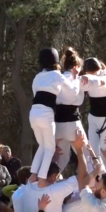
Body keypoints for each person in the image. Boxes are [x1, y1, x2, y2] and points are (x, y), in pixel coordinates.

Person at [30, 48, 84, 187]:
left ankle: (33, 175)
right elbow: (72, 90)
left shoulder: (37, 77)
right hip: (46, 114)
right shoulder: (57, 75)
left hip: (33, 113)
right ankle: (42, 180)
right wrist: (75, 76)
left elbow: (37, 93)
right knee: (49, 148)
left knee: (42, 146)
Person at [54, 48, 92, 172]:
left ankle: (48, 181)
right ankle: (94, 181)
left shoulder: (59, 79)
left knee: (61, 158)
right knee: (86, 154)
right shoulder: (73, 80)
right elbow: (73, 93)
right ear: (76, 66)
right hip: (72, 122)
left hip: (58, 124)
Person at [81, 57, 106, 166]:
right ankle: (96, 180)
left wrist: (88, 77)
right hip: (93, 118)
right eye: (89, 73)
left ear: (100, 68)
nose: (93, 75)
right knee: (93, 153)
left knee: (105, 152)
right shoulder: (85, 79)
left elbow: (103, 82)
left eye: (94, 72)